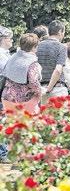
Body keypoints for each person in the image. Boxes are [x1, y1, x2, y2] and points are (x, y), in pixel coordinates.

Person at [2, 33, 41, 114]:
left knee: (11, 124)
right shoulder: (32, 63)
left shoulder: (13, 57)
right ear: (35, 47)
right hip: (24, 101)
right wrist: (40, 92)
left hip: (7, 97)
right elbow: (33, 82)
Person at [36, 20, 68, 103]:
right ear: (60, 32)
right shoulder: (61, 47)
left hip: (41, 89)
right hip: (57, 89)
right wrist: (48, 89)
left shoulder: (38, 46)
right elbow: (58, 70)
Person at [0, 26, 14, 164]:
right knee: (3, 123)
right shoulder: (3, 55)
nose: (12, 41)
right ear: (3, 39)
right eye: (10, 38)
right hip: (2, 91)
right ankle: (3, 153)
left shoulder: (6, 54)